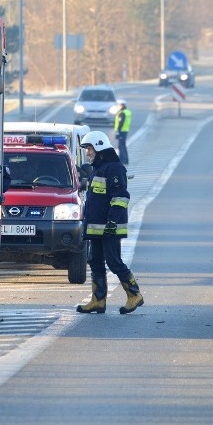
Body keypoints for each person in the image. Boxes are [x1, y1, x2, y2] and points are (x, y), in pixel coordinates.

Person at [76, 130, 144, 314]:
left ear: (99, 147)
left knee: (114, 262)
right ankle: (98, 300)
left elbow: (121, 197)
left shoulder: (114, 168)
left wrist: (112, 222)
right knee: (95, 261)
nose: (88, 153)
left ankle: (134, 295)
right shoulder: (98, 168)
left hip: (109, 227)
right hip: (96, 228)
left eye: (89, 149)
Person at [113, 100, 132, 165]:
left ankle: (123, 160)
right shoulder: (127, 112)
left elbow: (121, 122)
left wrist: (118, 131)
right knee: (122, 145)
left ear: (121, 105)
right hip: (125, 130)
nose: (117, 107)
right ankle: (125, 160)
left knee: (121, 146)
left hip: (121, 131)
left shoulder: (122, 113)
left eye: (118, 105)